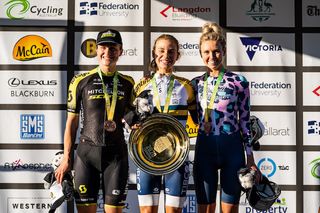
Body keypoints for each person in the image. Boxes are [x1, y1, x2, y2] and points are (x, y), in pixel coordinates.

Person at [54, 29, 135, 213]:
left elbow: (132, 119)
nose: (108, 52)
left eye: (113, 48)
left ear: (121, 51)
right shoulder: (80, 81)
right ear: (96, 50)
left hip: (116, 157)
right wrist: (67, 158)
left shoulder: (128, 83)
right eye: (103, 47)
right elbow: (71, 123)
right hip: (86, 155)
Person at [191, 22, 261, 213]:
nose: (211, 56)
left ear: (224, 51)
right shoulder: (194, 84)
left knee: (229, 210)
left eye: (216, 51)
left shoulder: (239, 82)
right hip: (205, 151)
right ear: (200, 54)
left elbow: (245, 121)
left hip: (232, 152)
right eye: (206, 52)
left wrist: (250, 158)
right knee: (205, 210)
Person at [133, 34, 198, 213]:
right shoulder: (141, 85)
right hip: (147, 156)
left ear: (177, 55)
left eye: (171, 51)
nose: (166, 55)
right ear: (154, 53)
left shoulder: (186, 86)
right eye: (161, 50)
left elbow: (201, 119)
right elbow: (131, 121)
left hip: (177, 157)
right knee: (147, 211)